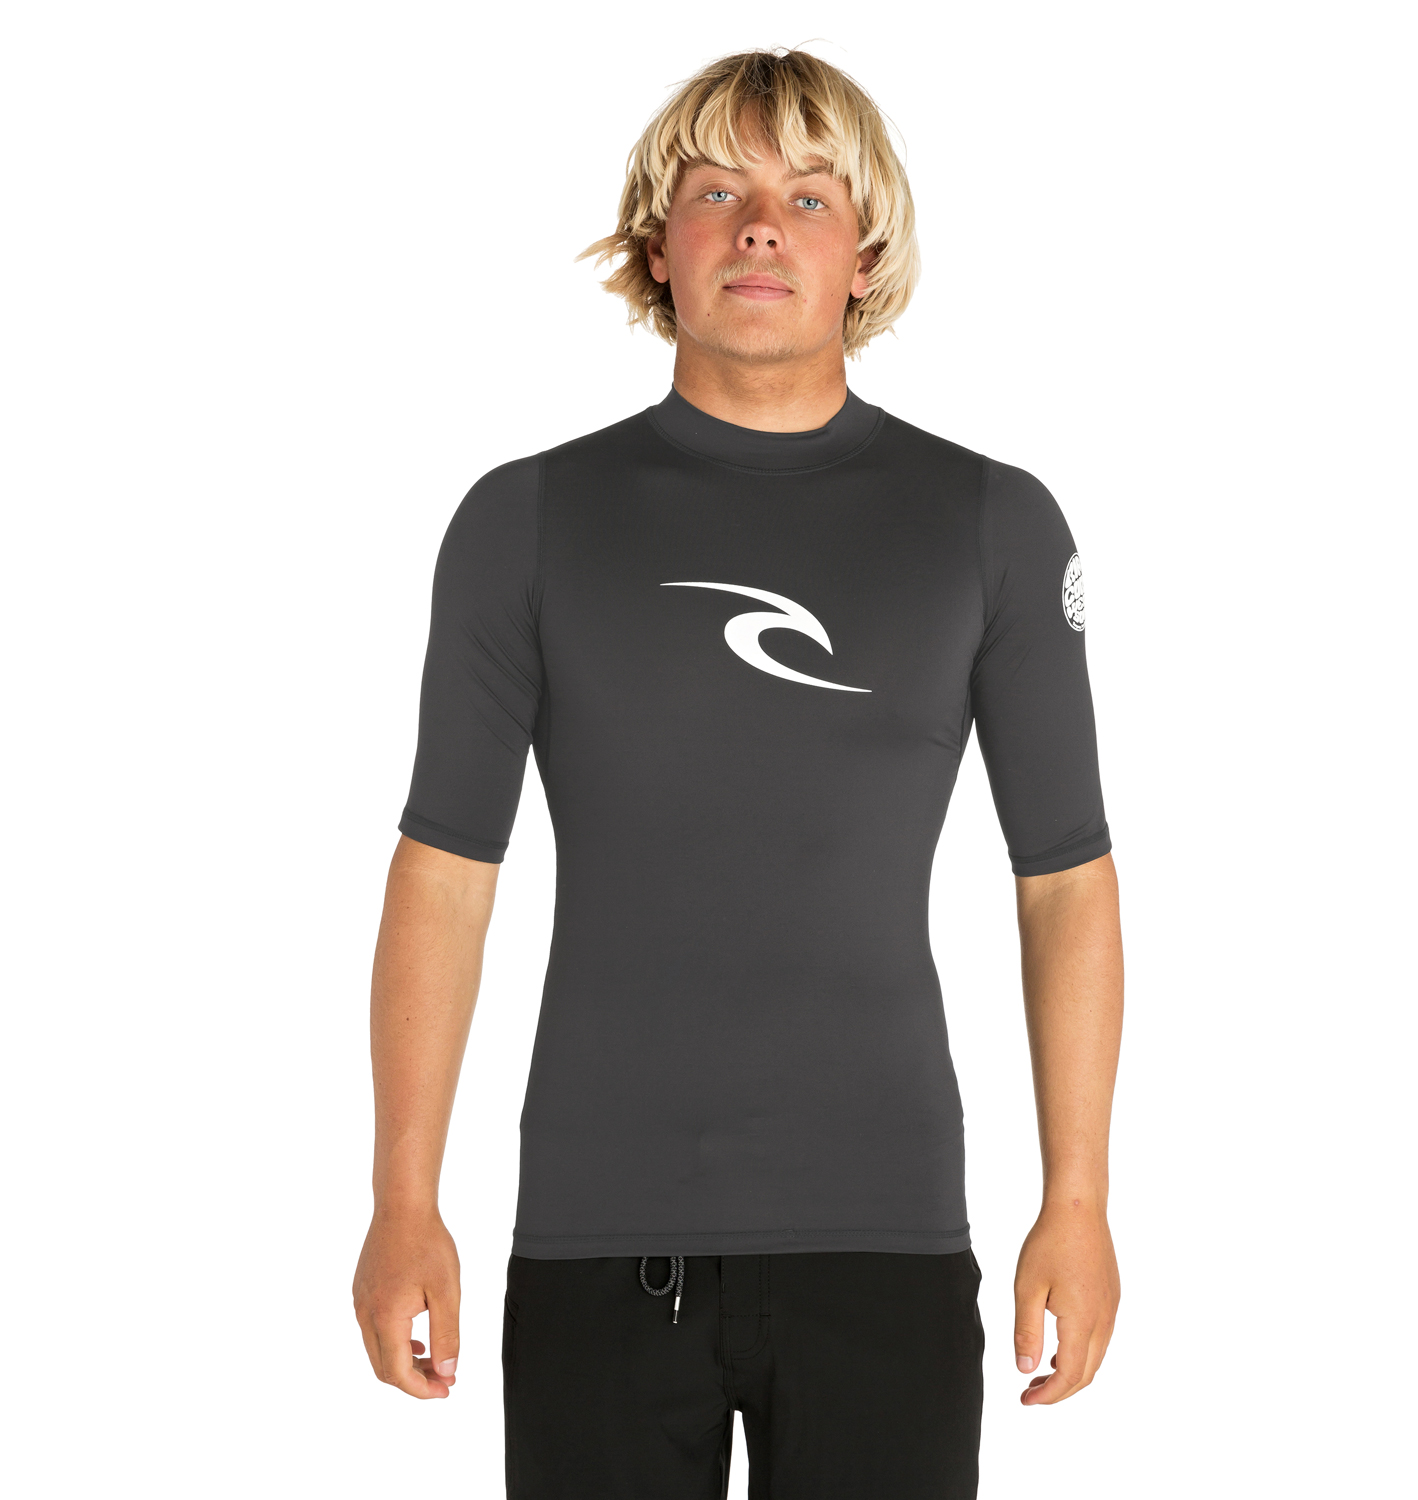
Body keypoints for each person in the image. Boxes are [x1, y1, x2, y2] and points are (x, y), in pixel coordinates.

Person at [353, 47, 1123, 1500]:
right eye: (718, 191)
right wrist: (405, 1199)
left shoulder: (991, 524)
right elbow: (444, 871)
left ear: (864, 253)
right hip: (596, 1242)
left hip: (885, 1243)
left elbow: (1066, 883)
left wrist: (1074, 1201)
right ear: (659, 244)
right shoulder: (524, 523)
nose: (761, 226)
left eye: (809, 196)